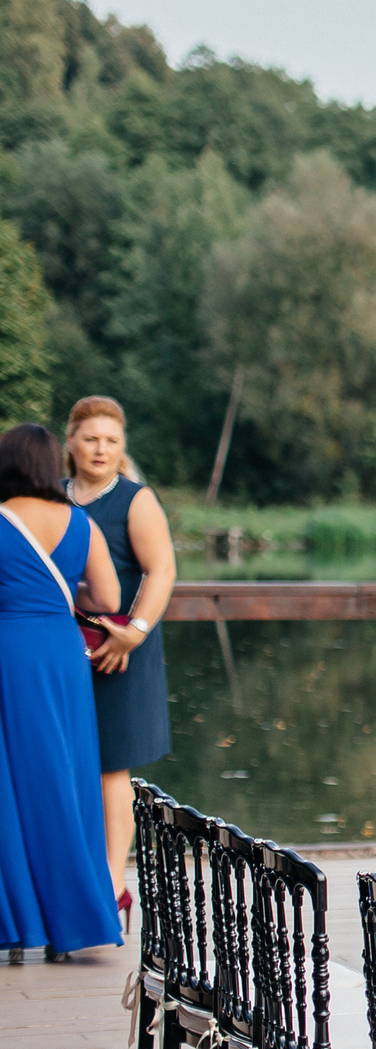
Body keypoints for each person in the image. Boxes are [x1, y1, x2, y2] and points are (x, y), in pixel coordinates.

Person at [0, 423, 123, 961]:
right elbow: (109, 594)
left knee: (10, 784)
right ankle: (71, 924)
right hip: (61, 657)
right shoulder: (81, 522)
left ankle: (15, 921)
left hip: (7, 651)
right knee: (65, 783)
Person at [64, 397, 174, 929]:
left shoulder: (135, 500)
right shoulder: (51, 498)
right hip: (63, 650)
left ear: (122, 446)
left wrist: (134, 633)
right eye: (90, 438)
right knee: (69, 763)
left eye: (110, 440)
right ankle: (72, 878)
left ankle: (112, 884)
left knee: (112, 764)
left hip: (120, 650)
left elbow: (162, 570)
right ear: (70, 442)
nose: (101, 449)